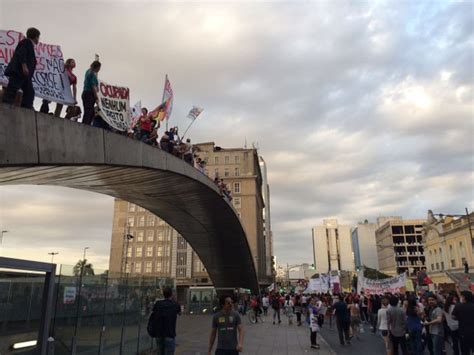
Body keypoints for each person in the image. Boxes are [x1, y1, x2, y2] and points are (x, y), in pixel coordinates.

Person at [2, 27, 40, 109]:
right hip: (19, 72)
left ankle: (25, 109)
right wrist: (24, 66)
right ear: (36, 37)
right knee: (12, 89)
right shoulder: (26, 42)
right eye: (38, 37)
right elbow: (21, 53)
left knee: (29, 93)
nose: (38, 39)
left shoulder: (28, 44)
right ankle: (6, 107)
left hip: (25, 75)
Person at [148, 287, 181, 355]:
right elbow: (180, 313)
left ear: (163, 294)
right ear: (171, 294)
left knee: (159, 352)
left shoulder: (158, 304)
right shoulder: (175, 304)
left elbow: (153, 313)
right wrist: (174, 300)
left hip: (159, 334)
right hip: (169, 333)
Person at [452, 289, 474, 355]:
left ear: (464, 297)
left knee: (465, 350)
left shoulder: (458, 306)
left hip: (463, 332)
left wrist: (460, 318)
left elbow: (453, 317)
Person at [81, 60, 101, 125]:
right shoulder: (92, 74)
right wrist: (96, 97)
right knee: (89, 111)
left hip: (85, 93)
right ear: (97, 67)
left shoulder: (88, 71)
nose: (99, 69)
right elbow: (93, 87)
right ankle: (86, 124)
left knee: (89, 111)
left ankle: (86, 123)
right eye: (99, 68)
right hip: (89, 94)